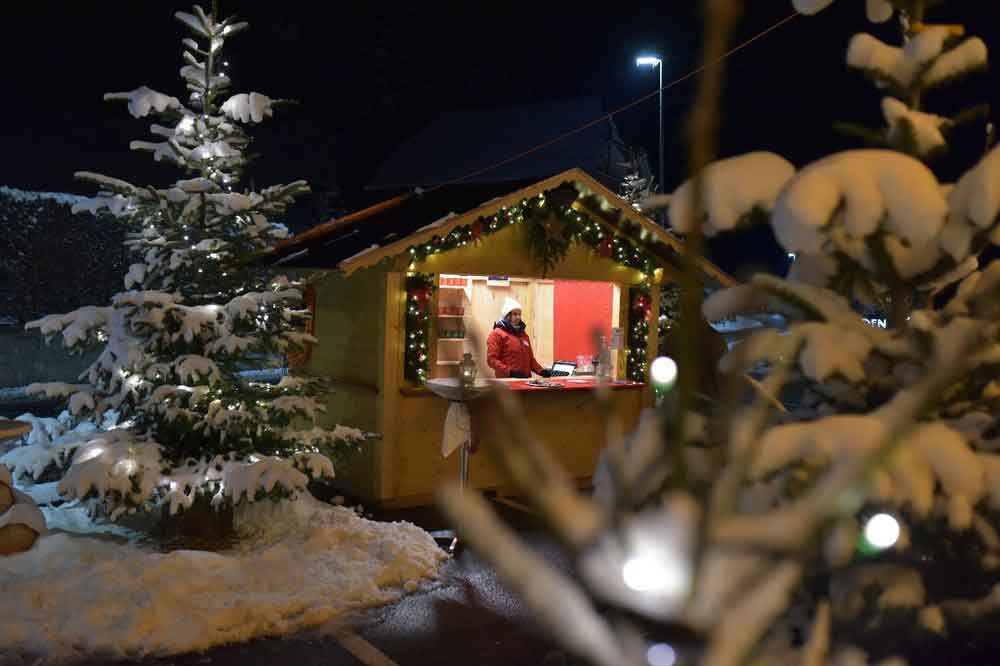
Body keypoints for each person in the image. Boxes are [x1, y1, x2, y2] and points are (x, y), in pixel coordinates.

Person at [486, 297, 552, 379]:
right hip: (507, 383)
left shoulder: (523, 335)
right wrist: (510, 372)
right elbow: (491, 360)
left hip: (525, 381)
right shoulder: (496, 334)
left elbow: (530, 359)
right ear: (507, 315)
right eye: (515, 314)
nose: (518, 317)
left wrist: (541, 371)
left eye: (519, 314)